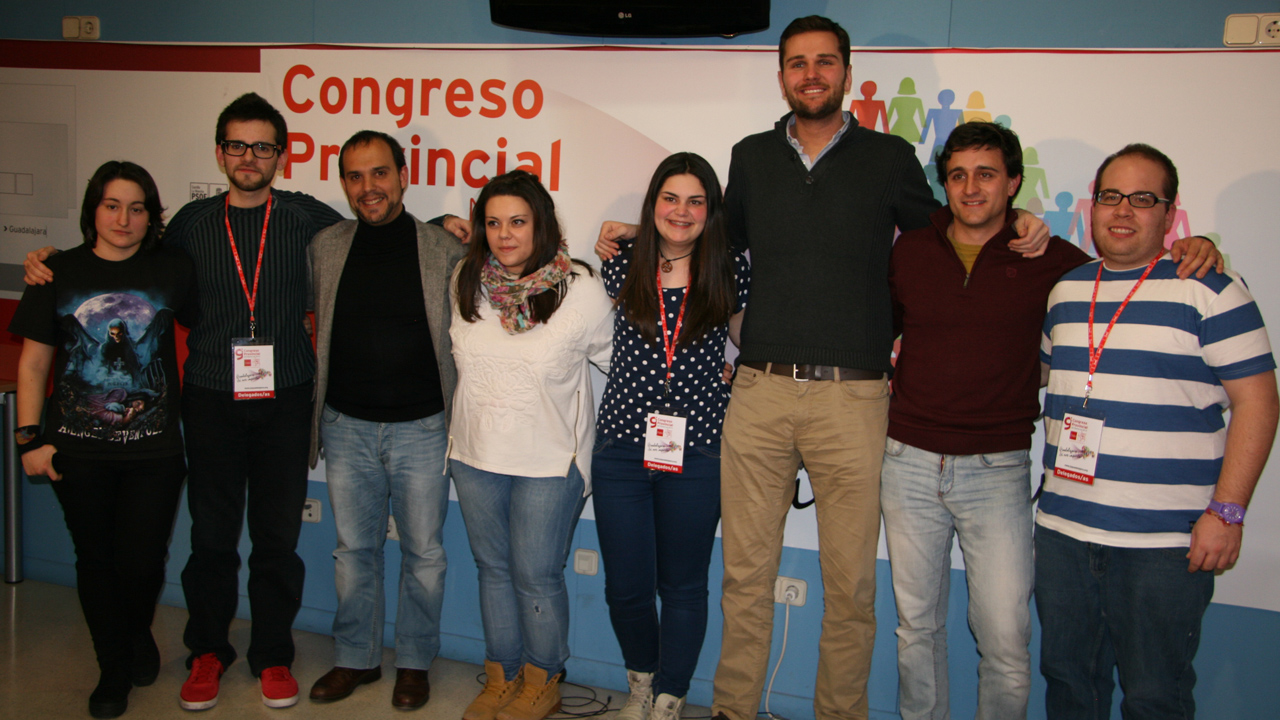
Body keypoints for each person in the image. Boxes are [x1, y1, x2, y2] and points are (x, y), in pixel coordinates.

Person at [597, 16, 1049, 720]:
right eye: (798, 62)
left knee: (850, 590)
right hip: (759, 393)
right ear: (782, 75)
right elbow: (714, 239)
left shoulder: (889, 156)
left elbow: (948, 226)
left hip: (855, 400)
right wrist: (635, 229)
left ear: (846, 72)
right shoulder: (750, 157)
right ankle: (733, 710)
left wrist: (1017, 220)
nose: (811, 73)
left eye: (825, 62)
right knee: (745, 577)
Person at [884, 123, 1221, 720]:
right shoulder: (909, 250)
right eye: (958, 175)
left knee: (1007, 641)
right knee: (916, 629)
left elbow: (1127, 268)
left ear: (1013, 183)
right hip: (906, 462)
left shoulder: (1058, 265)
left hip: (998, 471)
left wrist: (1200, 248)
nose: (971, 188)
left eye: (987, 174)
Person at [1036, 144, 1278, 718]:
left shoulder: (1212, 290)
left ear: (1169, 216)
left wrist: (1228, 512)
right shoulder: (1066, 291)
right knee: (1069, 687)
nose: (1123, 210)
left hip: (1164, 548)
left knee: (1155, 698)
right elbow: (1041, 382)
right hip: (1062, 535)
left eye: (1143, 199)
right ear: (1092, 208)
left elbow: (1260, 405)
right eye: (1111, 196)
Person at [10, 161, 195, 719]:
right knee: (95, 560)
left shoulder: (173, 268)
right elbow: (33, 363)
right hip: (77, 451)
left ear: (151, 217)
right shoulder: (56, 273)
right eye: (112, 205)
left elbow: (223, 315)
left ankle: (135, 635)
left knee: (141, 561)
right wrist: (27, 441)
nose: (124, 218)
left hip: (154, 451)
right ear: (94, 210)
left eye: (137, 208)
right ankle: (114, 665)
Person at [305, 130, 467, 709]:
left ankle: (416, 662)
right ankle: (356, 658)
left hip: (423, 428)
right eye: (354, 176)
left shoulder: (444, 249)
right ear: (344, 183)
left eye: (379, 173)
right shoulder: (325, 245)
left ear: (403, 174)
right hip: (345, 426)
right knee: (354, 552)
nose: (367, 187)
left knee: (424, 552)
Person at [448, 170, 613, 720]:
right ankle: (502, 675)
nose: (504, 234)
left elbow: (621, 366)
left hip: (549, 463)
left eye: (517, 221)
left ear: (540, 224)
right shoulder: (466, 281)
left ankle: (544, 679)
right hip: (474, 455)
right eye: (492, 223)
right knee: (491, 568)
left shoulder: (581, 290)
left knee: (535, 575)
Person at [592, 153, 749, 720]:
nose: (681, 211)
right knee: (626, 587)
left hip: (700, 444)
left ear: (711, 210)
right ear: (652, 202)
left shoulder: (730, 268)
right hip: (622, 446)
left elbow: (755, 334)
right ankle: (641, 682)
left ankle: (668, 698)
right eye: (670, 198)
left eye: (695, 201)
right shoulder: (622, 261)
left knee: (683, 586)